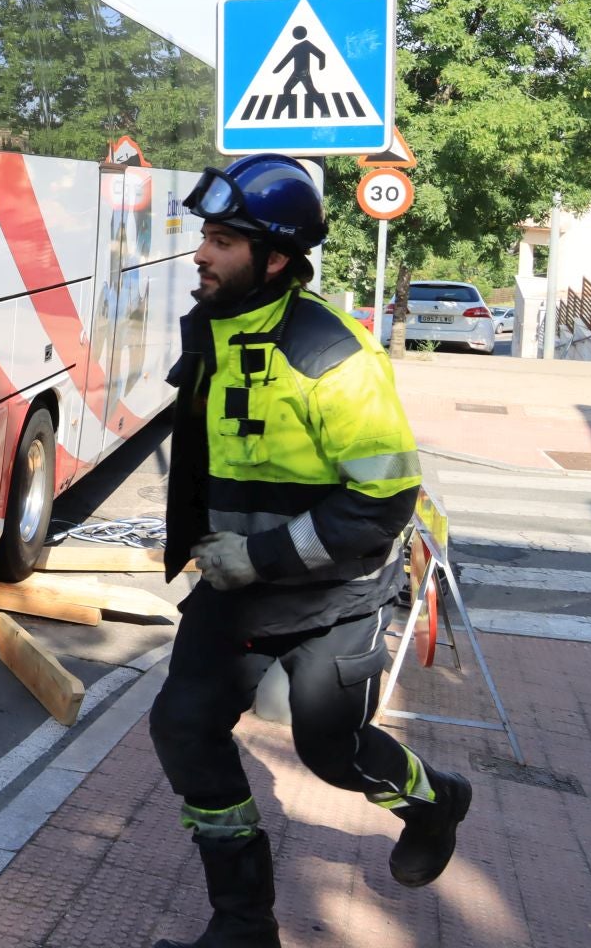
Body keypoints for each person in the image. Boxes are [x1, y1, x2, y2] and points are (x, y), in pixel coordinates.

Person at [149, 153, 470, 948]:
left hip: (335, 598)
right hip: (234, 594)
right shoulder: (215, 330)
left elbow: (381, 500)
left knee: (330, 754)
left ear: (277, 258)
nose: (200, 254)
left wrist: (256, 558)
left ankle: (433, 802)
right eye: (205, 237)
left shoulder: (337, 358)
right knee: (183, 729)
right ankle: (243, 926)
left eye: (222, 240)